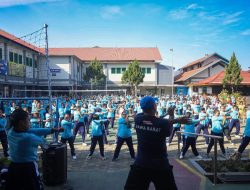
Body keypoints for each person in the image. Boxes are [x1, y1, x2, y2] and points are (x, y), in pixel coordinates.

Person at [124, 96, 189, 190]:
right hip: (160, 165)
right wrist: (172, 116)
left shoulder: (138, 119)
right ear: (154, 107)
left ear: (142, 108)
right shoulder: (162, 123)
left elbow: (154, 120)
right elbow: (167, 129)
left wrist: (169, 116)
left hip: (141, 163)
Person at [6, 108, 63, 190]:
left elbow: (32, 130)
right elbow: (43, 141)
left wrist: (52, 130)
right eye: (28, 120)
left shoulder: (11, 132)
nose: (29, 123)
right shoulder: (28, 138)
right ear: (21, 123)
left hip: (13, 167)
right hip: (27, 169)